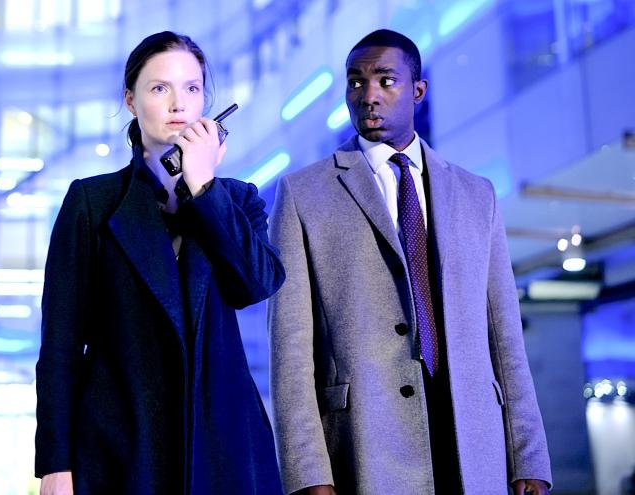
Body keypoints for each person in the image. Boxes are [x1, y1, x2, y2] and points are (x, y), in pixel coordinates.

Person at [268, 29, 552, 495]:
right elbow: (291, 351)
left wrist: (529, 456)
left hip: (472, 438)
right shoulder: (304, 194)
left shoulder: (476, 194)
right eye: (356, 82)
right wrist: (307, 475)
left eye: (386, 80)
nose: (369, 95)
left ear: (418, 91)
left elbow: (505, 336)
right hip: (365, 440)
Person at [35, 31, 285, 494]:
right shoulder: (92, 202)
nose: (178, 104)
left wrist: (204, 188)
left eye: (192, 88)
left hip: (222, 442)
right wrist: (55, 464)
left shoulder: (235, 198)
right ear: (131, 101)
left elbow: (256, 284)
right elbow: (60, 345)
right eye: (159, 88)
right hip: (121, 443)